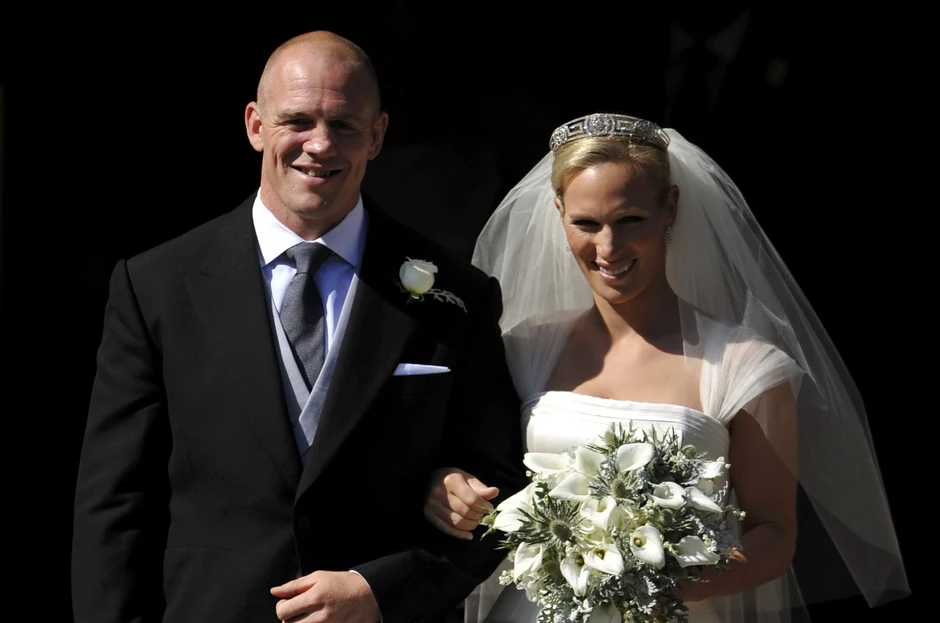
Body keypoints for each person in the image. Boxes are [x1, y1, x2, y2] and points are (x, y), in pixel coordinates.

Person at [71, 30, 526, 623]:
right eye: (298, 121)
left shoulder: (457, 297)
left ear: (378, 135)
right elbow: (116, 501)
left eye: (344, 125)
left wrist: (381, 591)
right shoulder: (156, 285)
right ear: (256, 125)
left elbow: (502, 491)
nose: (320, 144)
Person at [421, 113, 909, 622]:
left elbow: (773, 533)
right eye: (586, 224)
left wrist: (649, 580)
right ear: (559, 211)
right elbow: (480, 472)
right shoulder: (523, 348)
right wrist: (446, 485)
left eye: (630, 220)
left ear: (669, 207)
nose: (608, 248)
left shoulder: (745, 367)